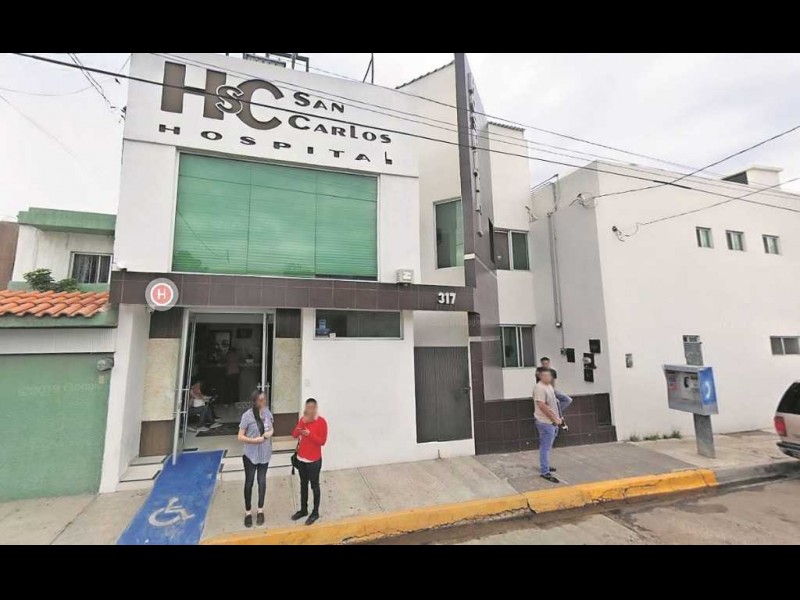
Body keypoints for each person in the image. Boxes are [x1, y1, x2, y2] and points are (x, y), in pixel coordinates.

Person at [237, 390, 274, 528]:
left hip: (265, 453)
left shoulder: (267, 413)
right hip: (250, 455)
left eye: (264, 399)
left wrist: (268, 434)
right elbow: (240, 436)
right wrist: (254, 440)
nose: (263, 402)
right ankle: (248, 512)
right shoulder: (247, 416)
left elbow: (271, 429)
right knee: (249, 482)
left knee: (262, 481)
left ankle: (260, 510)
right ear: (255, 401)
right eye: (261, 400)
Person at [290, 398, 328, 526]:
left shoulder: (321, 422)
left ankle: (315, 512)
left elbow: (322, 441)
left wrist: (309, 434)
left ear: (316, 409)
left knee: (314, 486)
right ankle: (303, 509)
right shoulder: (303, 420)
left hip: (314, 461)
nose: (309, 410)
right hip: (301, 459)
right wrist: (302, 423)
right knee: (303, 484)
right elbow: (294, 435)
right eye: (308, 407)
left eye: (312, 408)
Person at [533, 368, 561, 483]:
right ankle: (545, 471)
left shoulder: (548, 386)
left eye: (549, 375)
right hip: (545, 422)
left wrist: (558, 417)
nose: (548, 377)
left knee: (548, 446)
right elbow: (542, 406)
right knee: (545, 447)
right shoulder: (539, 388)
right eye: (545, 375)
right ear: (540, 376)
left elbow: (554, 403)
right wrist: (554, 418)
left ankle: (545, 465)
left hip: (552, 422)